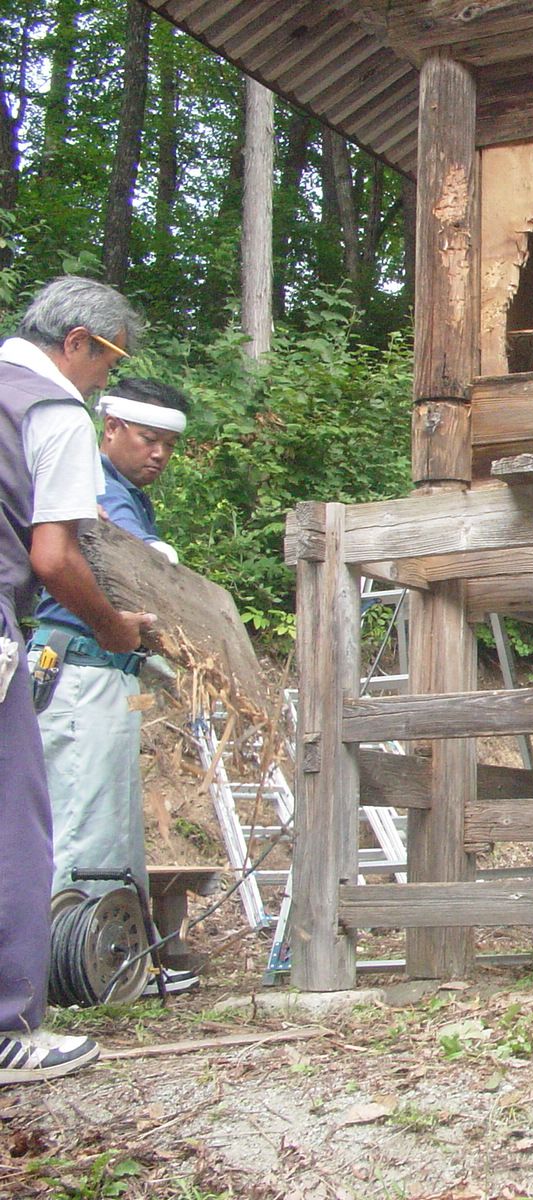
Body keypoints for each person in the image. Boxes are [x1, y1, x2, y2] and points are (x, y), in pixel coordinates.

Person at [0, 276, 153, 1085]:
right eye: (109, 360)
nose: (106, 380)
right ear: (77, 343)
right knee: (20, 826)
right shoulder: (52, 410)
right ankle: (9, 1027)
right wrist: (114, 626)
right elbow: (53, 557)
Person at [32, 376, 198, 999]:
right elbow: (134, 554)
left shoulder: (125, 491)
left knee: (111, 819)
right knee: (80, 821)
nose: (158, 453)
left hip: (110, 674)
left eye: (168, 445)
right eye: (147, 439)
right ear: (112, 429)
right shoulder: (98, 486)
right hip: (79, 669)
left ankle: (118, 961)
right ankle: (63, 971)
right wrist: (158, 556)